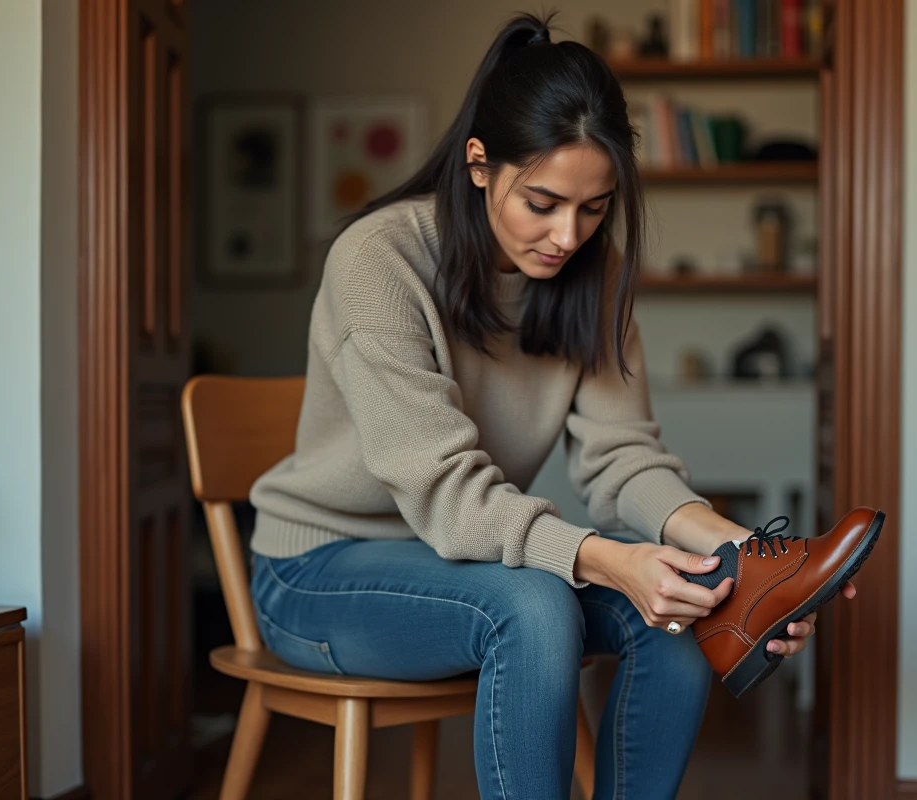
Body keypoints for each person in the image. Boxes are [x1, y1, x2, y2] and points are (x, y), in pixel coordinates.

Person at [248, 12, 853, 798]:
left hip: (467, 564)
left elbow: (623, 458)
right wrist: (610, 559)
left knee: (677, 616)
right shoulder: (379, 259)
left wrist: (739, 563)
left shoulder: (592, 285)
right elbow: (447, 494)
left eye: (594, 208)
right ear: (478, 164)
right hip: (319, 571)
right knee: (533, 608)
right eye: (542, 202)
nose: (567, 236)